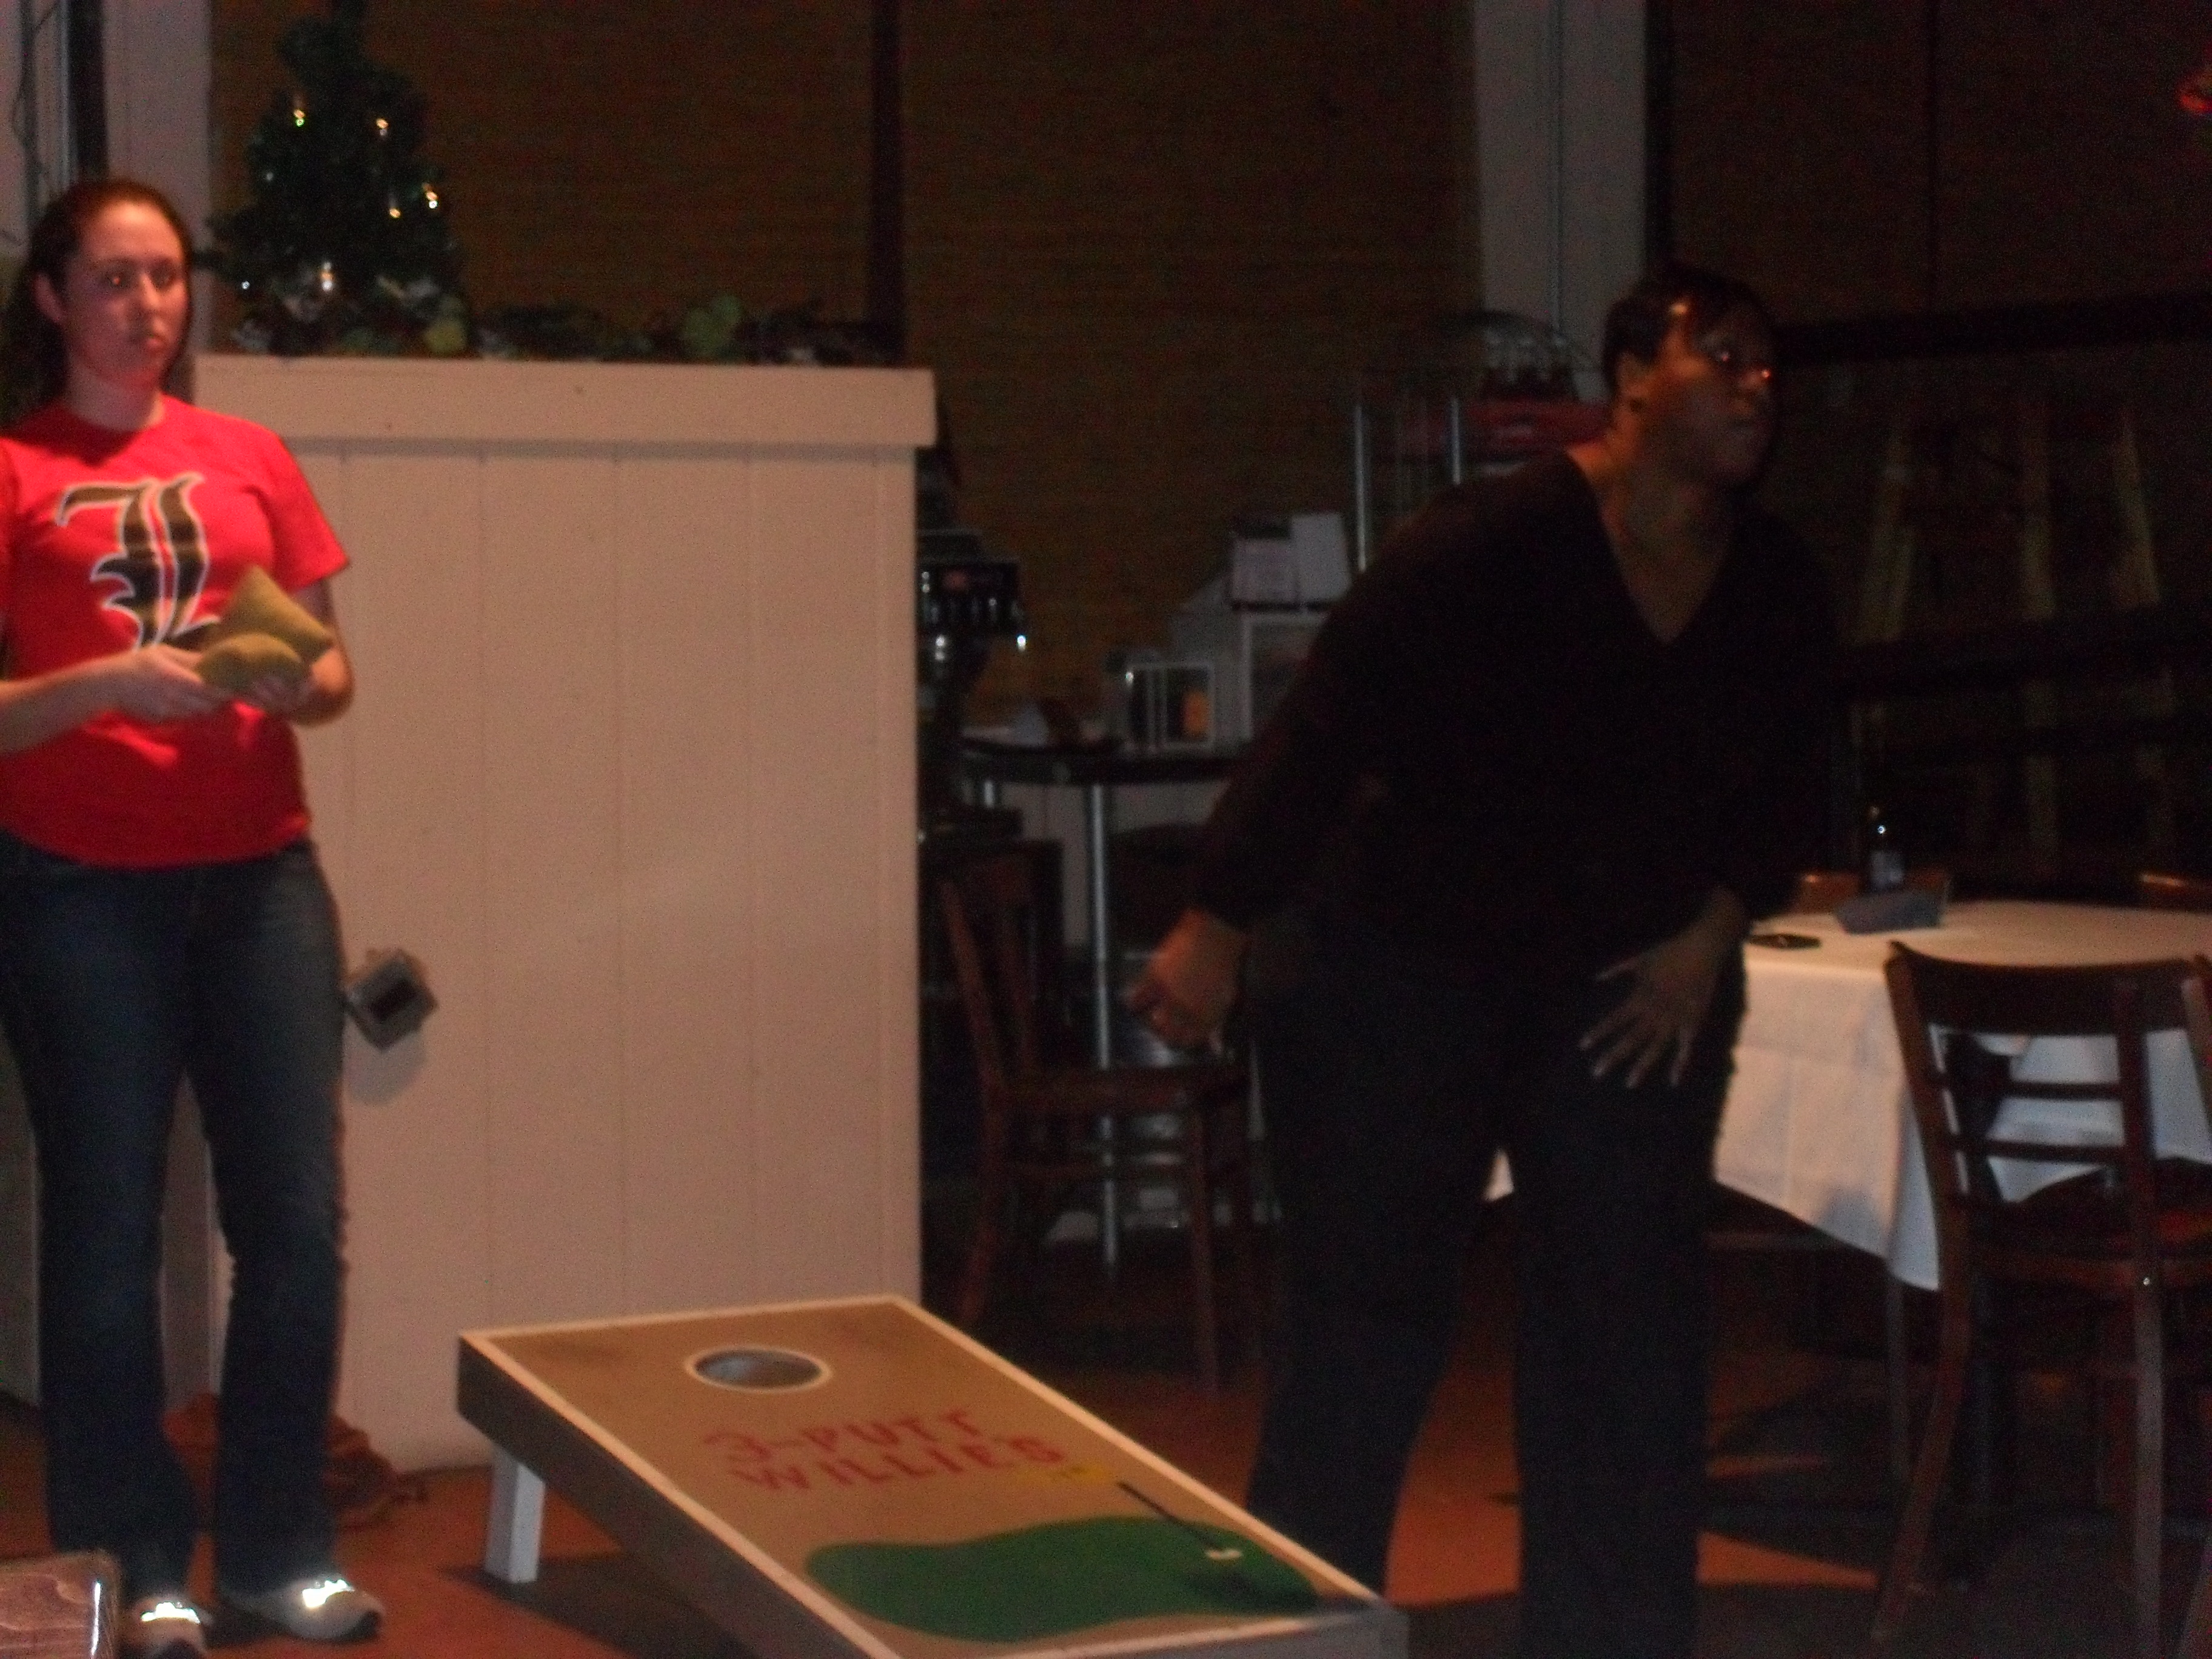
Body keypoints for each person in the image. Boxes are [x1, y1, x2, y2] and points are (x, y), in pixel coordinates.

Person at [1130, 266, 1834, 1658]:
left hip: (1625, 974)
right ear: (1632, 383)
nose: (1757, 389)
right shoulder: (1491, 541)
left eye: (1769, 366)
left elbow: (1791, 791)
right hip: (1400, 962)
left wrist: (1711, 935)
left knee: (1627, 1316)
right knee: (1368, 1313)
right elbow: (1328, 723)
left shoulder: (1775, 582)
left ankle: (1612, 1638)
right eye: (1722, 357)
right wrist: (1218, 918)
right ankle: (1303, 1633)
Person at [0, 179, 381, 1657]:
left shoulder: (248, 457)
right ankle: (135, 1567)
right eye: (113, 279)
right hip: (77, 888)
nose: (147, 306)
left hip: (260, 878)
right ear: (53, 299)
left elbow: (331, 672)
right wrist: (104, 686)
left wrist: (294, 680)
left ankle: (279, 1550)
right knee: (106, 1237)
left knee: (295, 1225)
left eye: (165, 277)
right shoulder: (17, 467)